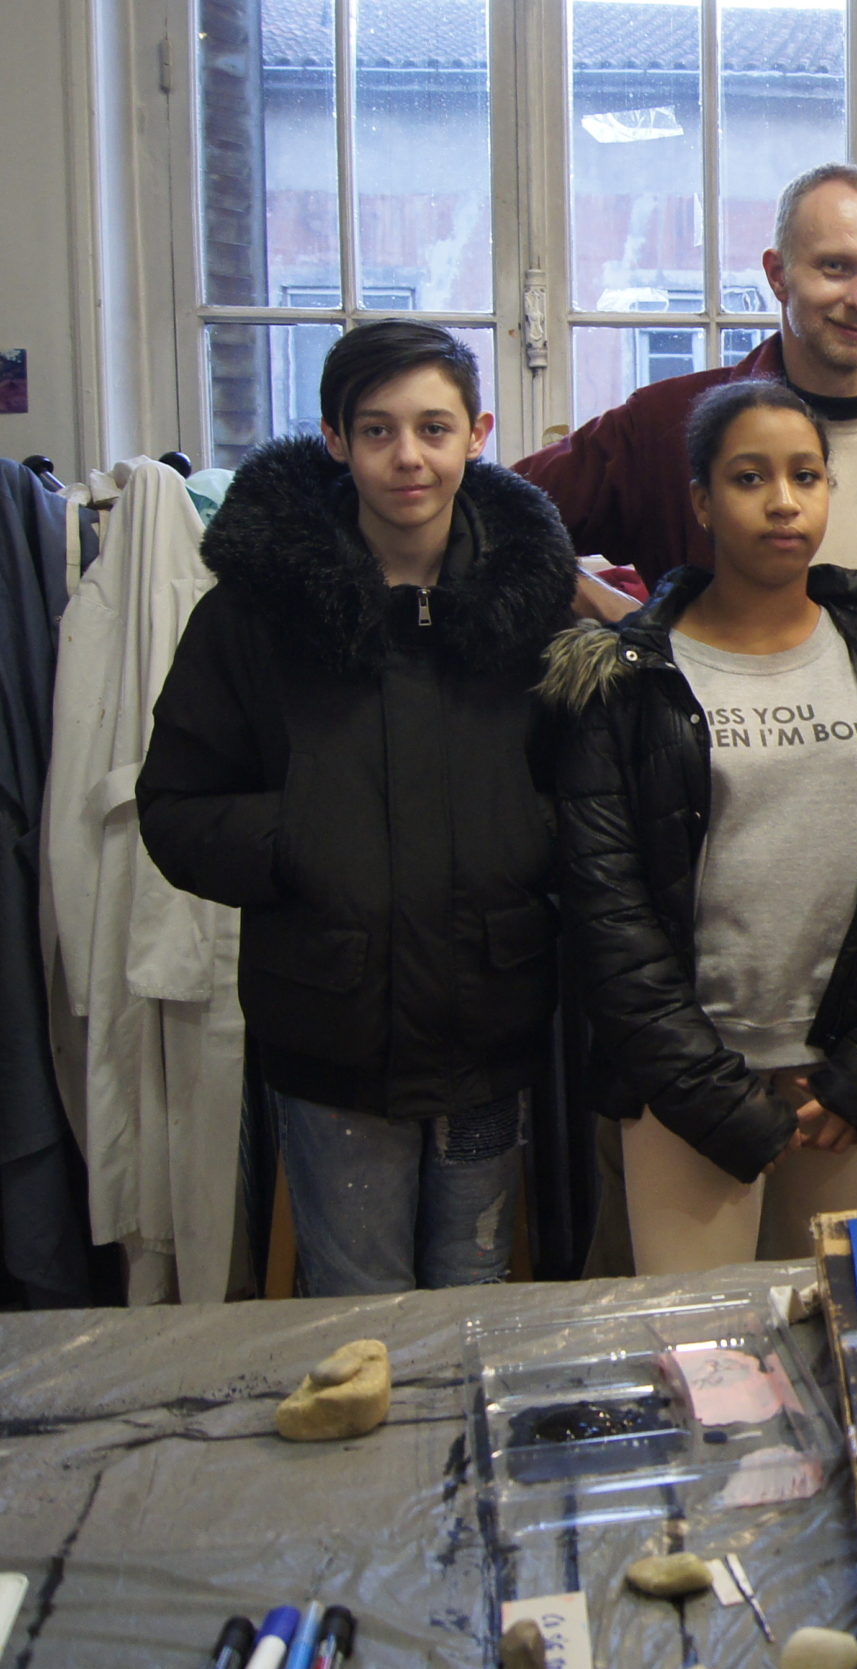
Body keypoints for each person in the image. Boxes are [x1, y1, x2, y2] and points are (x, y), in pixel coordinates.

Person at [137, 320, 577, 1296]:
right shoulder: (254, 614)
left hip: (489, 1017)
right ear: (336, 440)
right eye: (377, 430)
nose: (407, 456)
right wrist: (305, 839)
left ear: (478, 433)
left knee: (472, 1301)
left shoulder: (535, 609)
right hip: (331, 1026)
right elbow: (174, 805)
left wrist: (519, 841)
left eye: (433, 427)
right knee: (358, 1316)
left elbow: (582, 789)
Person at [545, 381, 857, 1272]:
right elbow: (608, 911)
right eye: (749, 478)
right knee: (705, 1343)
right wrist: (708, 1091)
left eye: (806, 476)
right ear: (701, 501)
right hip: (690, 1084)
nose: (783, 501)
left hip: (840, 1076)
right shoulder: (632, 676)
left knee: (836, 1322)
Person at [516, 163, 857, 594]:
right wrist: (612, 612)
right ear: (778, 275)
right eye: (836, 267)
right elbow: (492, 518)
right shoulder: (663, 426)